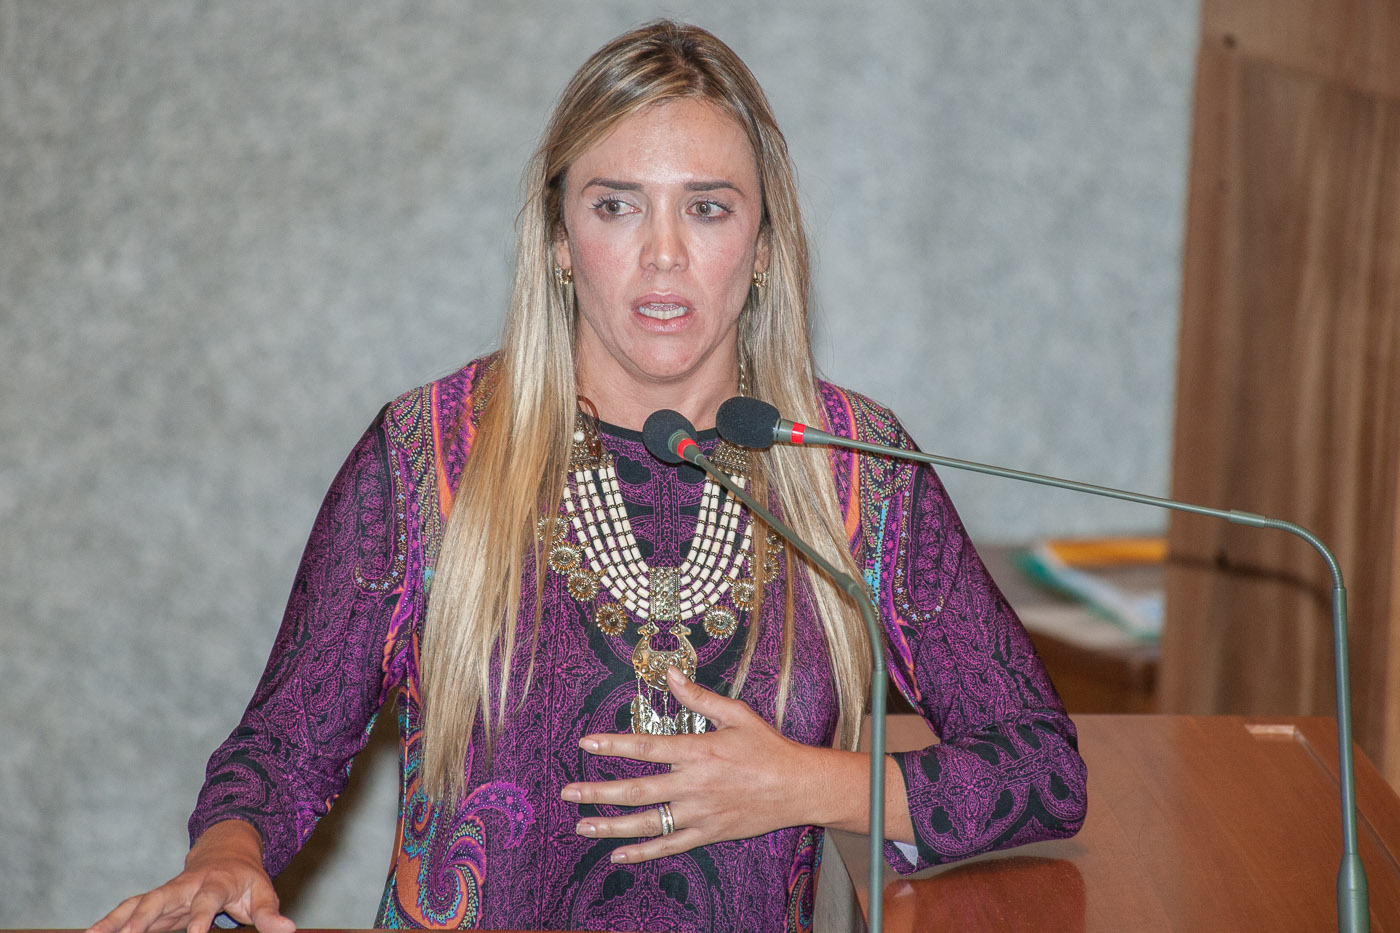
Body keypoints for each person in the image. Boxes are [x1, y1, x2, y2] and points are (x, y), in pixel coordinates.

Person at [92, 20, 1087, 933]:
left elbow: (1043, 769)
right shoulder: (427, 454)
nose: (663, 255)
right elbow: (280, 748)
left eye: (707, 208)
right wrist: (226, 856)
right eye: (617, 206)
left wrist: (807, 785)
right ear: (562, 241)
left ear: (763, 246)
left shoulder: (850, 472)